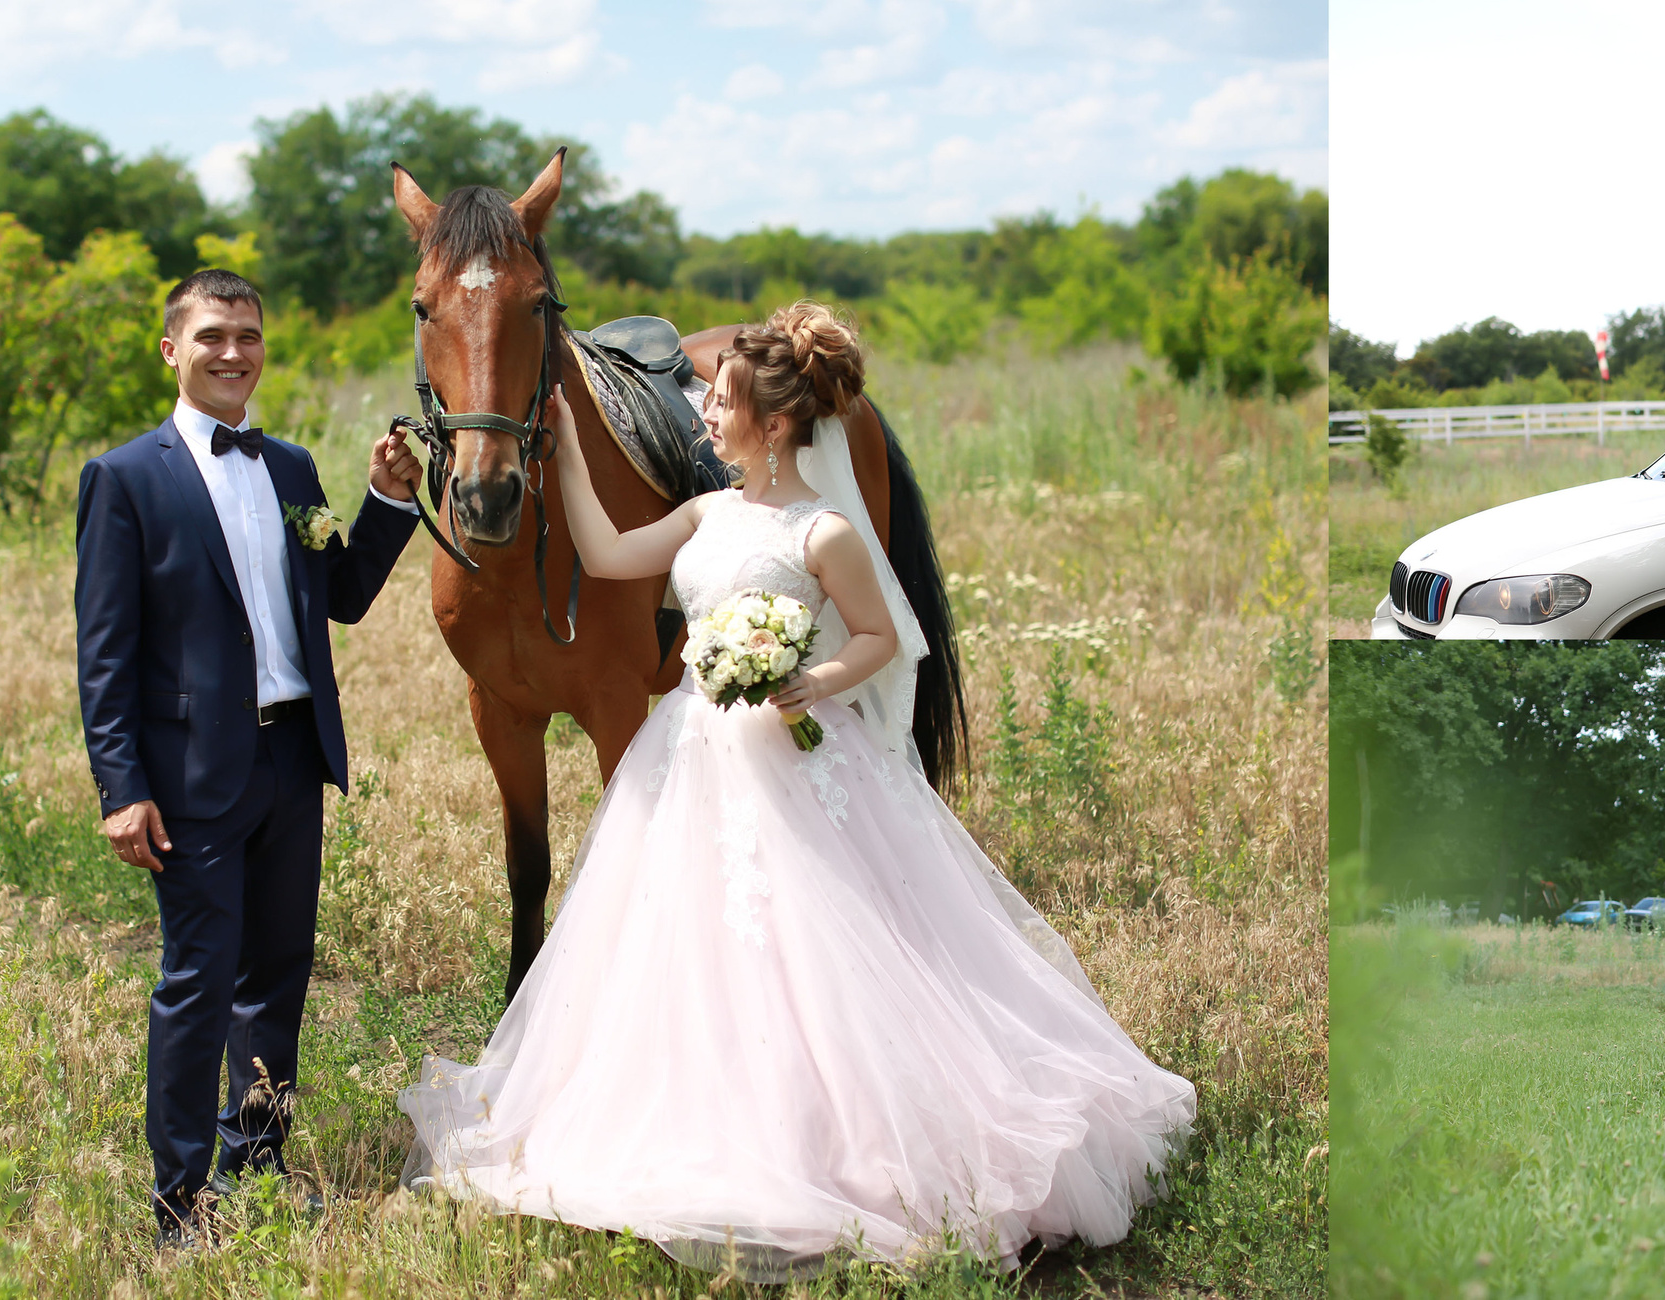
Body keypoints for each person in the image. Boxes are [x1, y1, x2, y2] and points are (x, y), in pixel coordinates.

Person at [397, 301, 1196, 1280]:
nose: (702, 418)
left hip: (792, 756)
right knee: (680, 932)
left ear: (770, 425)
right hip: (693, 750)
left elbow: (881, 636)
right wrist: (561, 452)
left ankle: (833, 1128)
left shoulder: (822, 531)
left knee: (814, 937)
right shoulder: (698, 513)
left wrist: (811, 680)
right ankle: (685, 1097)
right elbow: (605, 556)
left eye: (718, 403)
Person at [75, 268, 424, 1250]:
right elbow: (104, 652)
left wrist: (385, 500)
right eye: (214, 336)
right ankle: (181, 1202)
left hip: (292, 758)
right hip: (189, 777)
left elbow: (341, 597)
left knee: (278, 973)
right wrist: (121, 785)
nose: (235, 353)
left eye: (250, 337)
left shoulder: (296, 469)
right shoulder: (125, 478)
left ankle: (258, 1169)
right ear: (172, 350)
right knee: (198, 977)